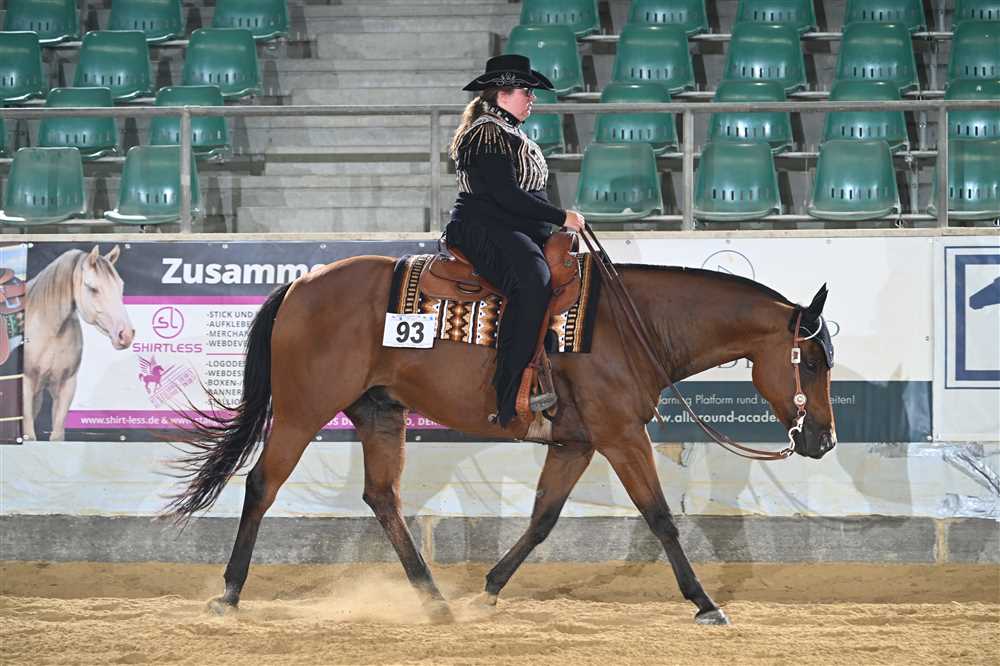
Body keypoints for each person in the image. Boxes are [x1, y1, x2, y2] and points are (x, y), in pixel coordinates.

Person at [444, 54, 586, 427]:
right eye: (526, 91)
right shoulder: (487, 134)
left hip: (510, 226)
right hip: (484, 226)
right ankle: (509, 394)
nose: (532, 98)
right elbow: (506, 196)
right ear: (503, 94)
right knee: (532, 282)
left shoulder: (509, 132)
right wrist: (560, 217)